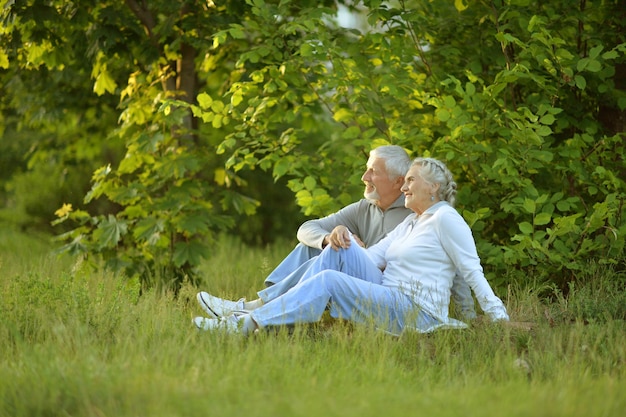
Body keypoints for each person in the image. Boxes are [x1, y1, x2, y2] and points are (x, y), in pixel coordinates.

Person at [193, 157, 507, 335]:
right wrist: (341, 234)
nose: (405, 186)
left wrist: (497, 318)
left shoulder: (446, 219)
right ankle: (251, 311)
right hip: (387, 291)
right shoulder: (413, 222)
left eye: (411, 180)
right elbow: (371, 256)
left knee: (329, 279)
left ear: (433, 187)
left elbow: (471, 270)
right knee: (337, 247)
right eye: (405, 180)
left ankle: (246, 322)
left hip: (416, 310)